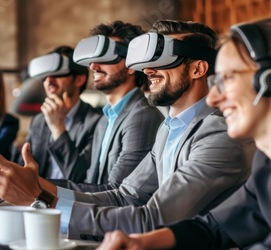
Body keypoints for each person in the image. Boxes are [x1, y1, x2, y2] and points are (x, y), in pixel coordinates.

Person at [0, 20, 255, 239]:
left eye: (162, 60)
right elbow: (124, 195)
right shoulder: (169, 128)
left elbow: (151, 219)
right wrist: (38, 186)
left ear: (198, 69)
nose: (148, 70)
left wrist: (39, 199)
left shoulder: (219, 135)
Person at [97, 18, 271, 250]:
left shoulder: (220, 136)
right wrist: (142, 242)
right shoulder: (265, 164)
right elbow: (216, 227)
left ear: (267, 81)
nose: (213, 98)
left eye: (227, 78)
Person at [63, 21, 164, 191]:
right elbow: (90, 181)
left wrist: (40, 187)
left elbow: (116, 192)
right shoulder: (104, 120)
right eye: (93, 59)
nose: (94, 66)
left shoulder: (142, 116)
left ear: (131, 65)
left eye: (105, 57)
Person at [18, 46, 102, 182]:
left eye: (57, 74)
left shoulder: (96, 122)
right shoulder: (39, 120)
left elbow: (80, 177)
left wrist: (58, 128)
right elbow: (23, 167)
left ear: (79, 79)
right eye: (45, 76)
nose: (48, 81)